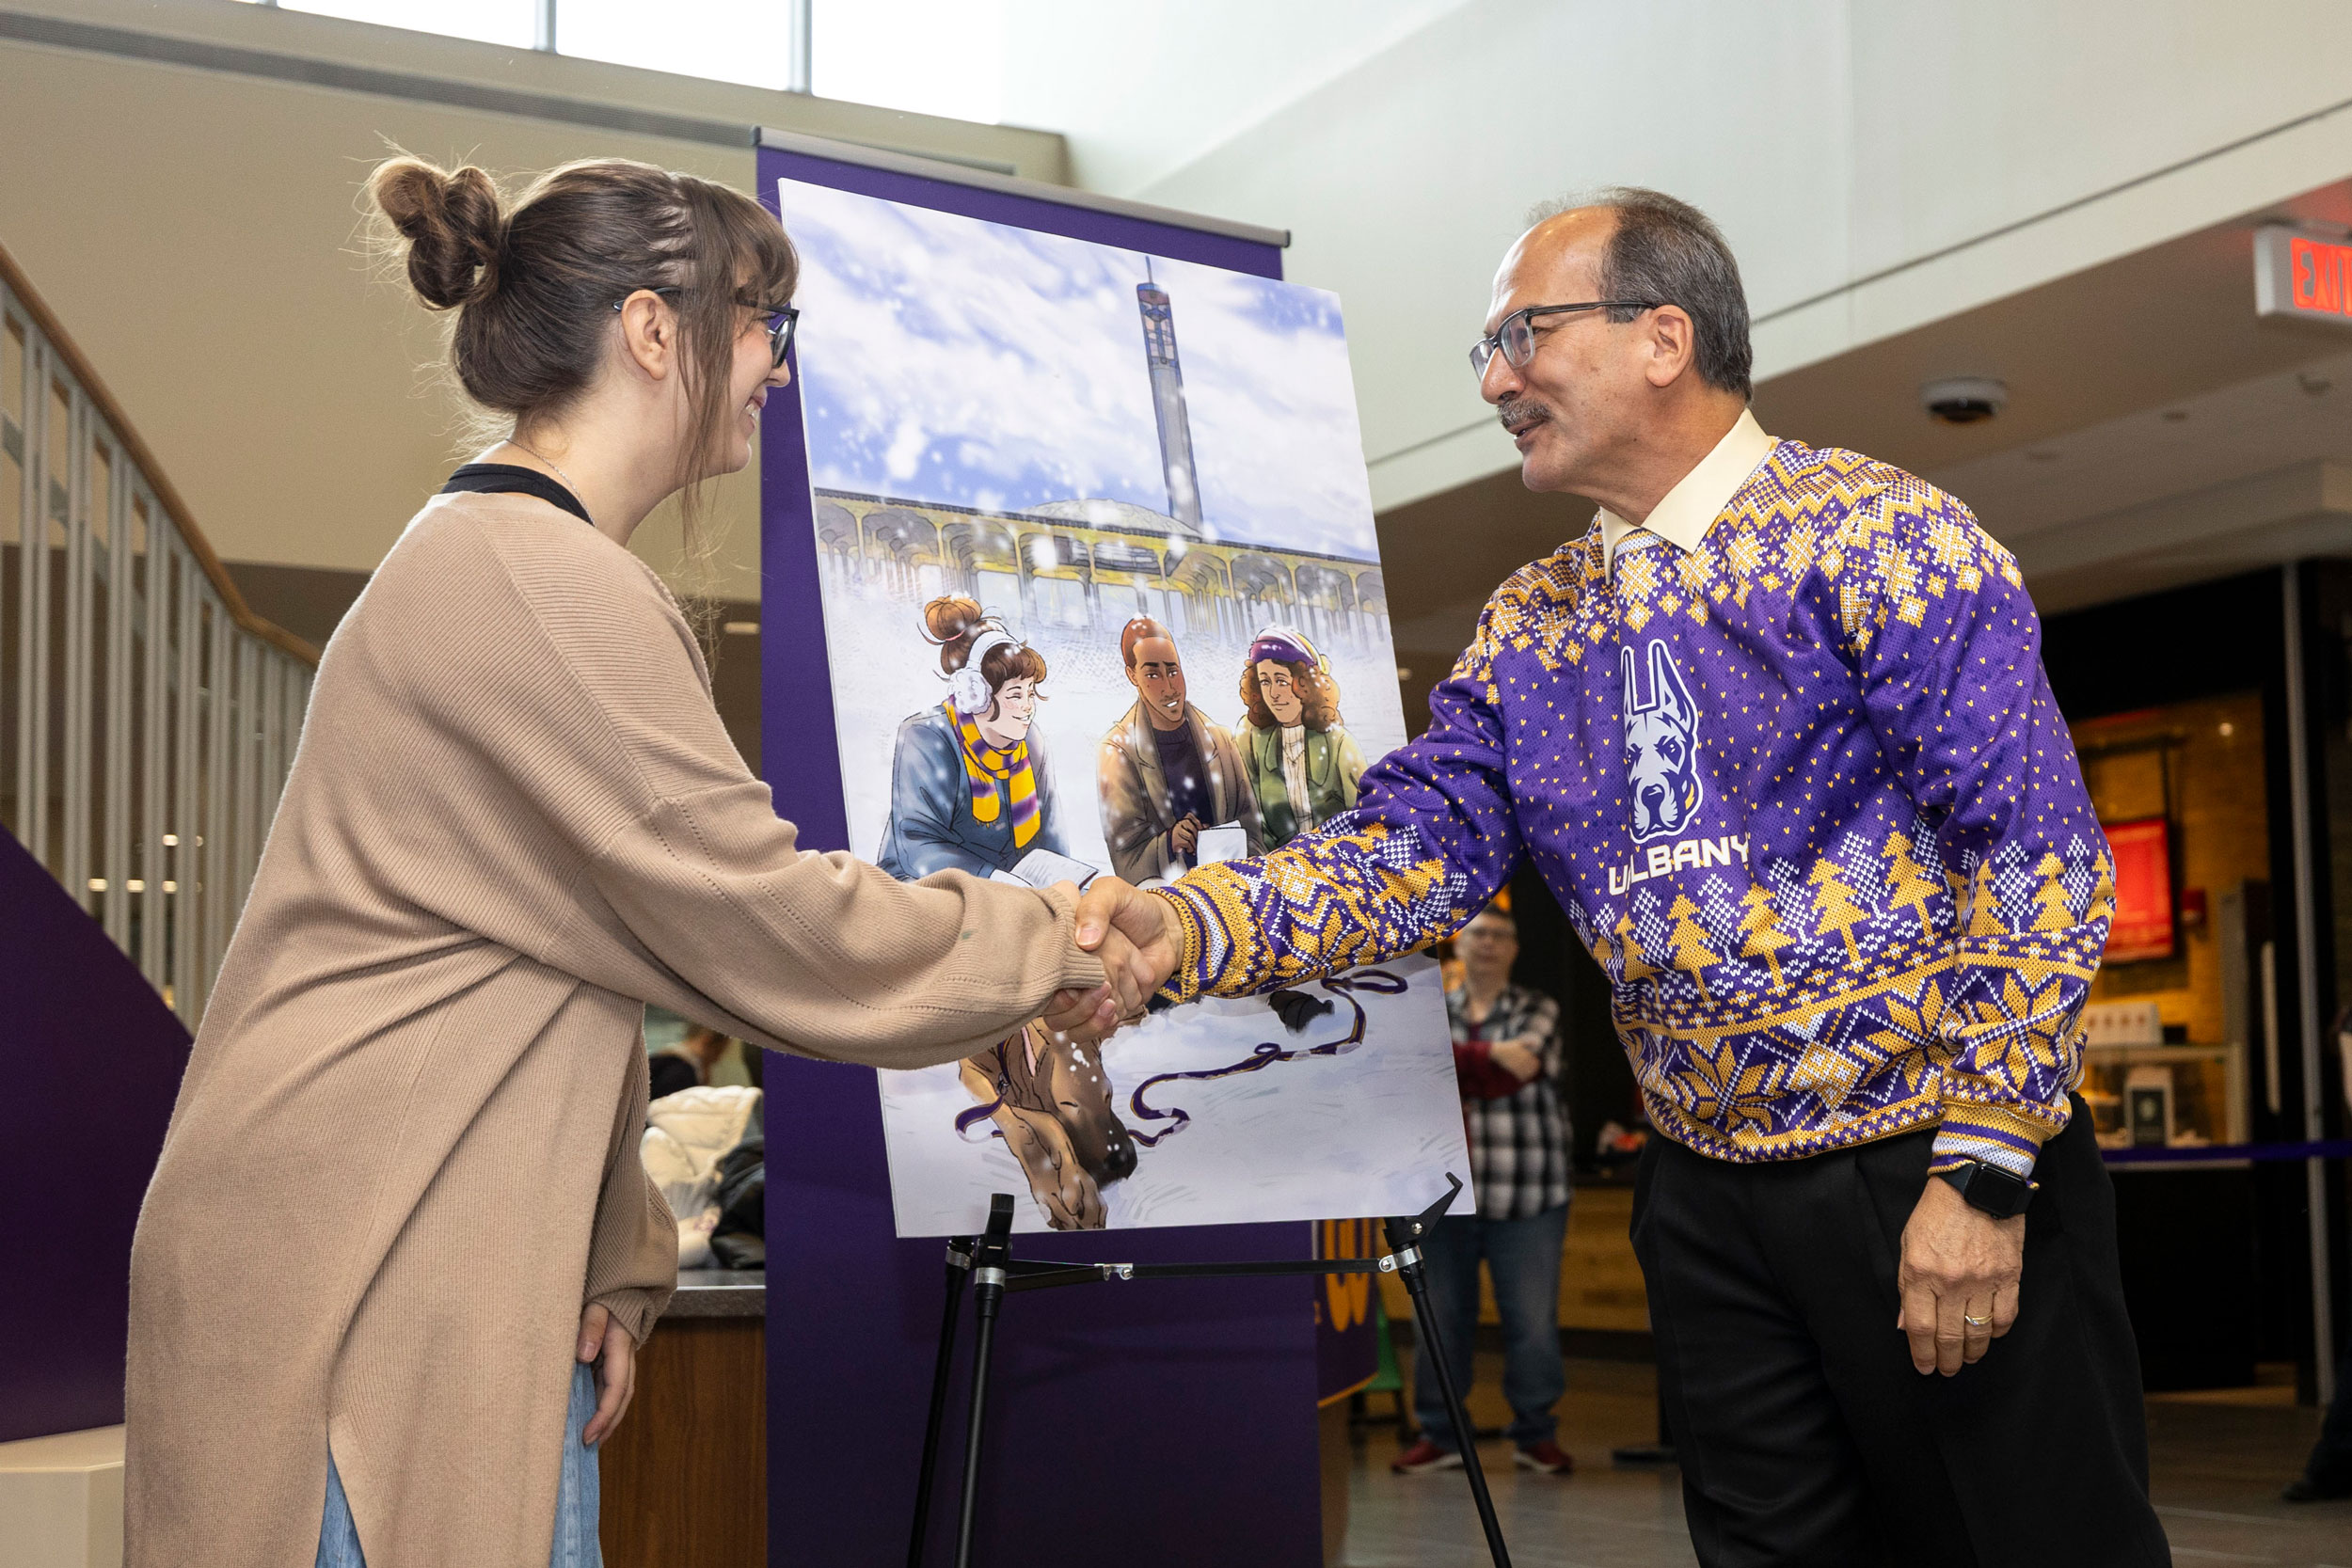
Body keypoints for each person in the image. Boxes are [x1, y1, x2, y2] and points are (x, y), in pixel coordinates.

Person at [1065, 188, 2169, 1565]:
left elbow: (2036, 851)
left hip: (1929, 1166)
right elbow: (1408, 846)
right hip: (1703, 1194)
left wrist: (1990, 1166)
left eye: (1524, 332)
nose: (1493, 378)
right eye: (1487, 346)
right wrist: (1184, 918)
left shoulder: (1885, 535)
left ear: (1664, 334)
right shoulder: (1532, 622)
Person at [124, 154, 1158, 1568]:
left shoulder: (504, 558)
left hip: (412, 1258)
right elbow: (781, 927)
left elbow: (566, 968)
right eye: (760, 326)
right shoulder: (535, 582)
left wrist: (611, 1246)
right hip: (357, 1279)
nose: (774, 372)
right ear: (653, 331)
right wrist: (1061, 928)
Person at [1392, 899, 1575, 1479]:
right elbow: (1419, 1069)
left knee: (1532, 1324)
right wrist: (1483, 1055)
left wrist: (1454, 1062)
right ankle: (1442, 1436)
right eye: (1479, 932)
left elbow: (1516, 1071)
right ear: (1460, 945)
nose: (1490, 941)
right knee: (1438, 1323)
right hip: (1440, 1199)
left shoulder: (1539, 1008)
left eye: (1502, 933)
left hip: (1529, 1192)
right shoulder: (1426, 1014)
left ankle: (1535, 1434)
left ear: (1515, 948)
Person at [876, 596, 1073, 880]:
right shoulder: (926, 736)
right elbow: (917, 846)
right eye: (1015, 695)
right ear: (975, 694)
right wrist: (995, 879)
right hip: (928, 887)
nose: (1028, 707)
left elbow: (1052, 836)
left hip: (1014, 890)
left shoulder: (1032, 742)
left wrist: (1066, 883)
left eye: (1030, 693)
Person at [1096, 615, 1263, 883]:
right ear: (1132, 675)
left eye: (1173, 671)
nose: (1170, 687)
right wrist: (1169, 843)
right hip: (1168, 898)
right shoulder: (1117, 752)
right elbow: (1125, 858)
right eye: (1153, 674)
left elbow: (1253, 832)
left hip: (1232, 888)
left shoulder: (1221, 739)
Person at [1234, 623, 1368, 849]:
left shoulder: (1340, 742)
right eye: (1265, 681)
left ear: (1305, 684)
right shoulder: (1250, 737)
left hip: (1338, 864)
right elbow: (1251, 821)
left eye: (1282, 681)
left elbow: (1366, 819)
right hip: (1276, 869)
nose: (1273, 694)